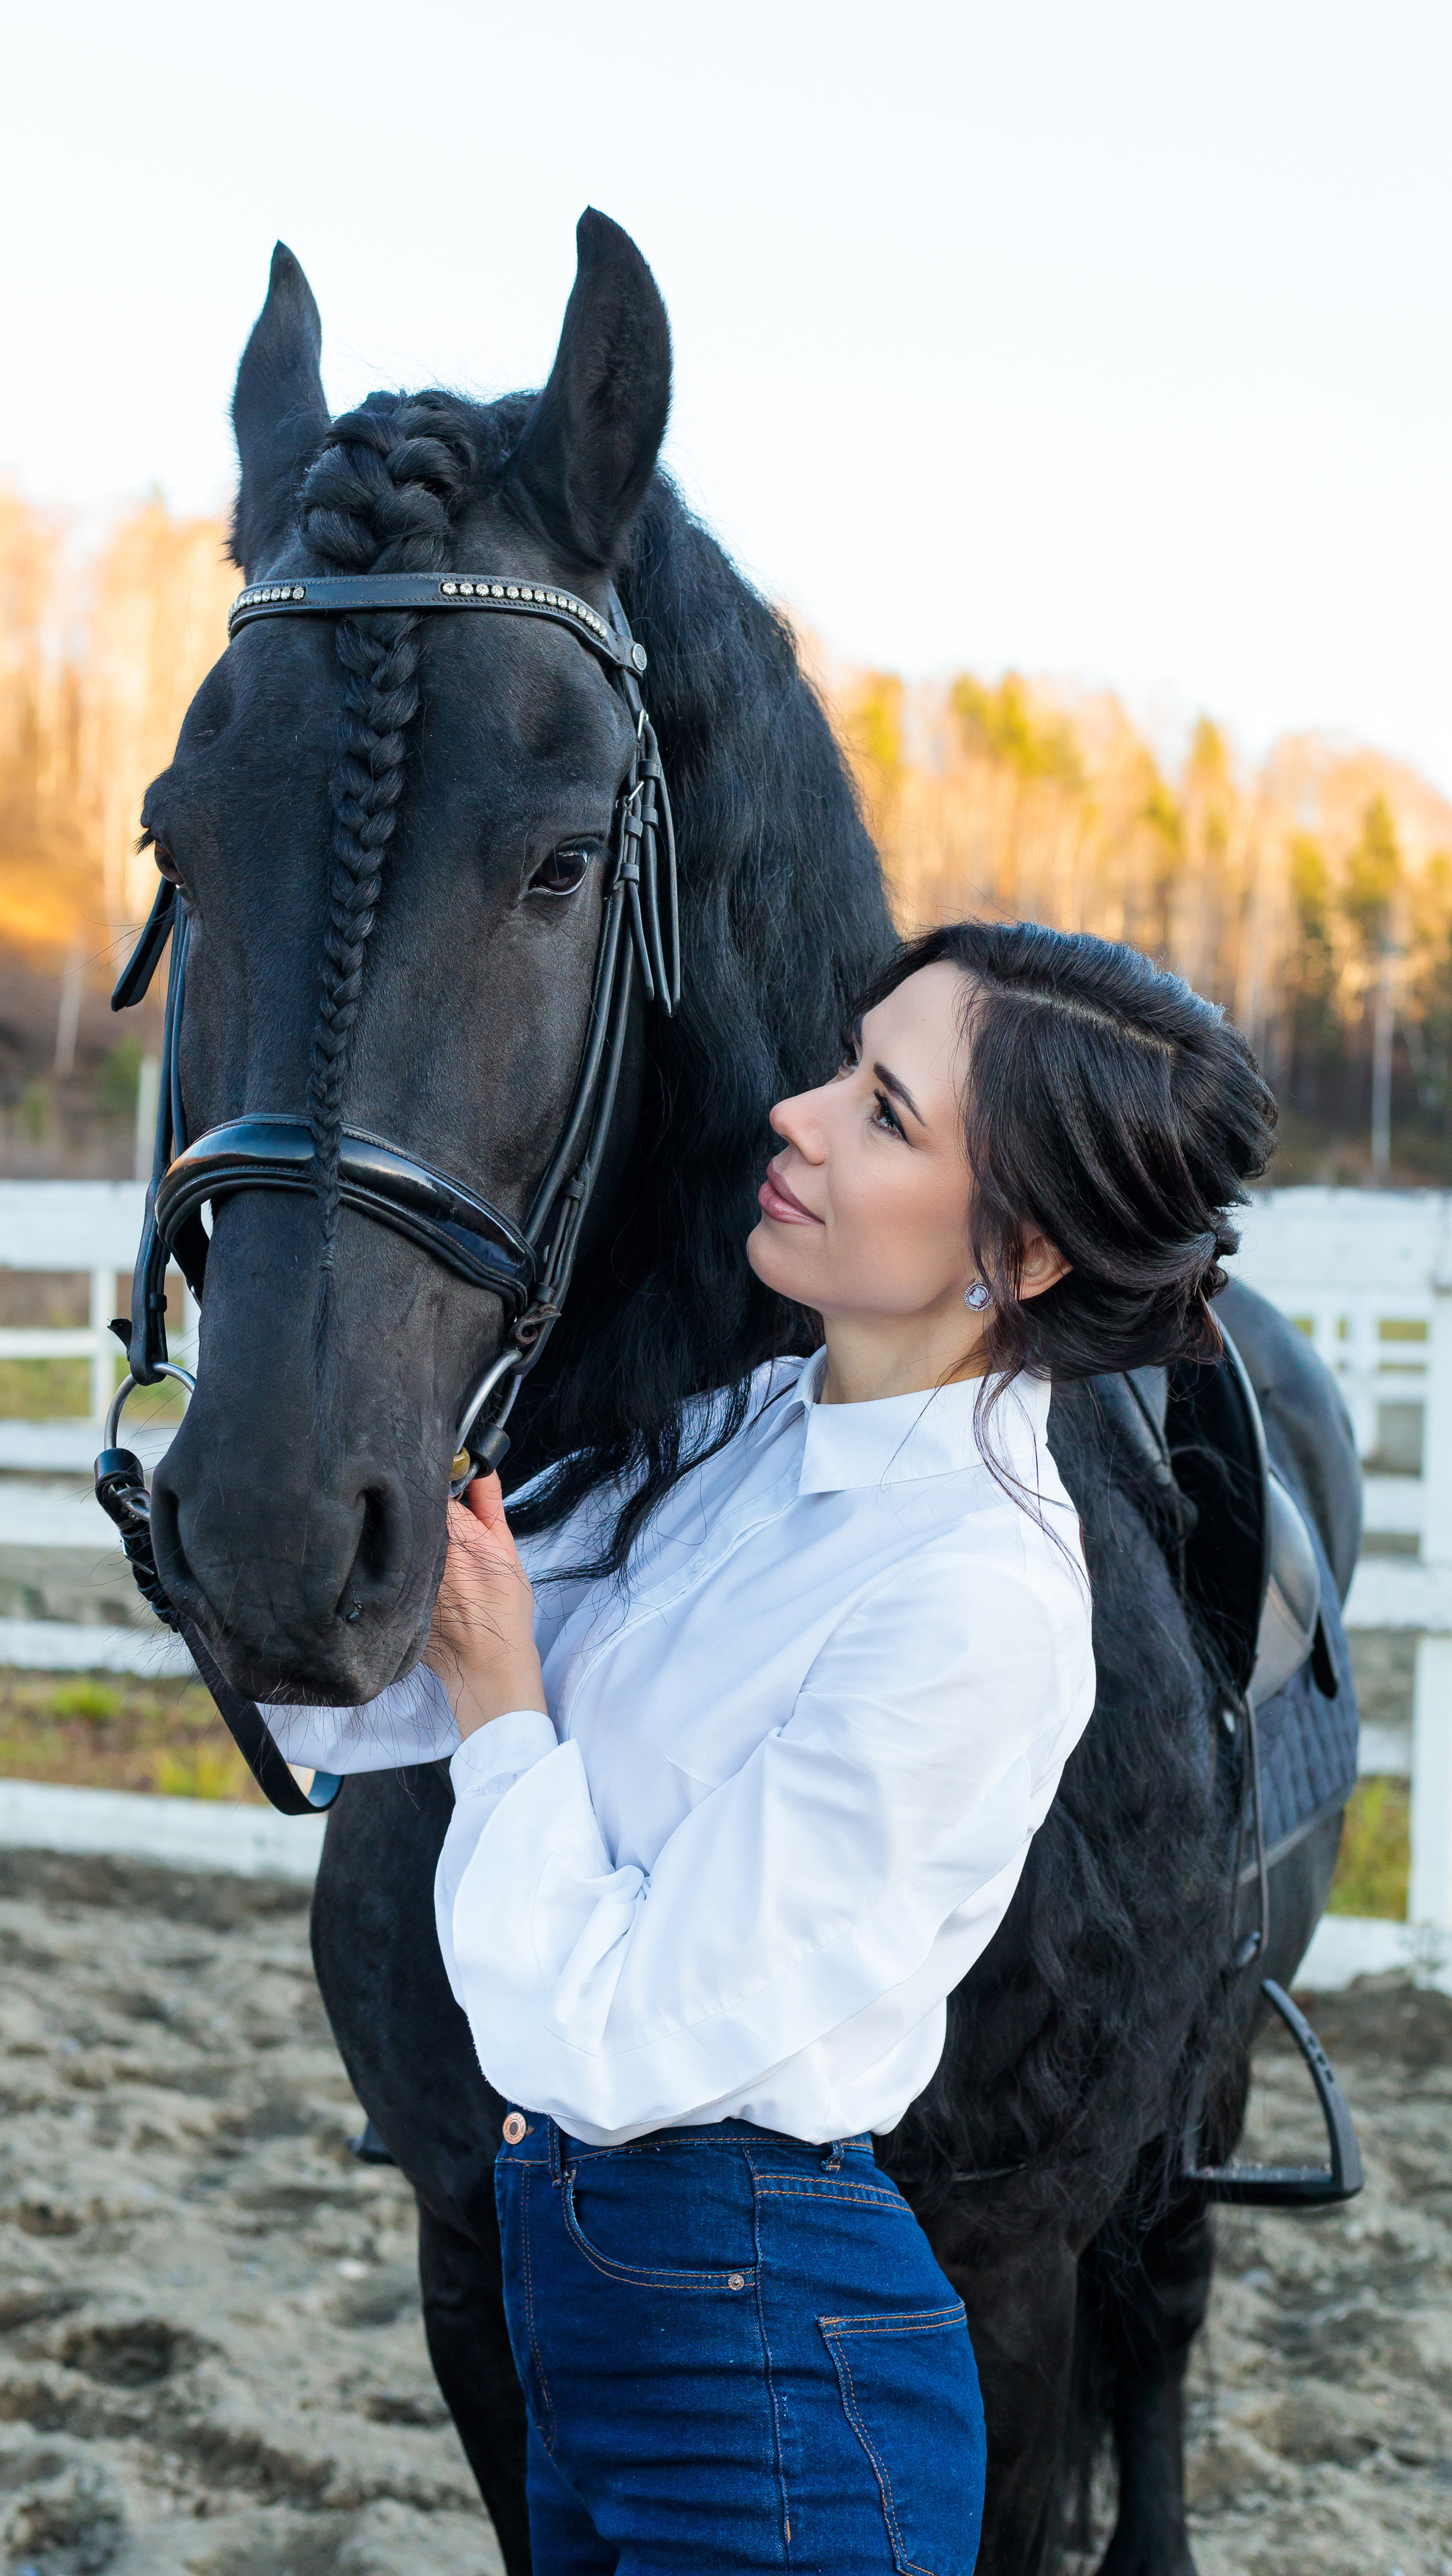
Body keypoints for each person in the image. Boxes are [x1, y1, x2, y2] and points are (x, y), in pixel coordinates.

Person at [265, 919, 1276, 2575]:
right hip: (595, 2347)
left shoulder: (974, 1597)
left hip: (772, 2406)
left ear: (1022, 1253)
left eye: (883, 1112)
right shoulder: (739, 1439)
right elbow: (352, 1693)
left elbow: (609, 2039)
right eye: (839, 1068)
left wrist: (505, 1707)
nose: (795, 1116)